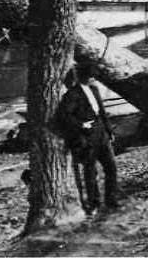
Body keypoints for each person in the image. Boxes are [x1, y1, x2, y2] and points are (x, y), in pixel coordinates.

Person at [55, 63, 119, 214]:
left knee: (111, 168)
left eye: (93, 76)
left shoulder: (94, 89)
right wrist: (81, 125)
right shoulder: (72, 94)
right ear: (82, 77)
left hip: (101, 134)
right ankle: (94, 203)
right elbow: (64, 116)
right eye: (90, 76)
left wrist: (109, 131)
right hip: (87, 137)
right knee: (90, 172)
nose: (92, 79)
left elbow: (102, 112)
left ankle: (111, 200)